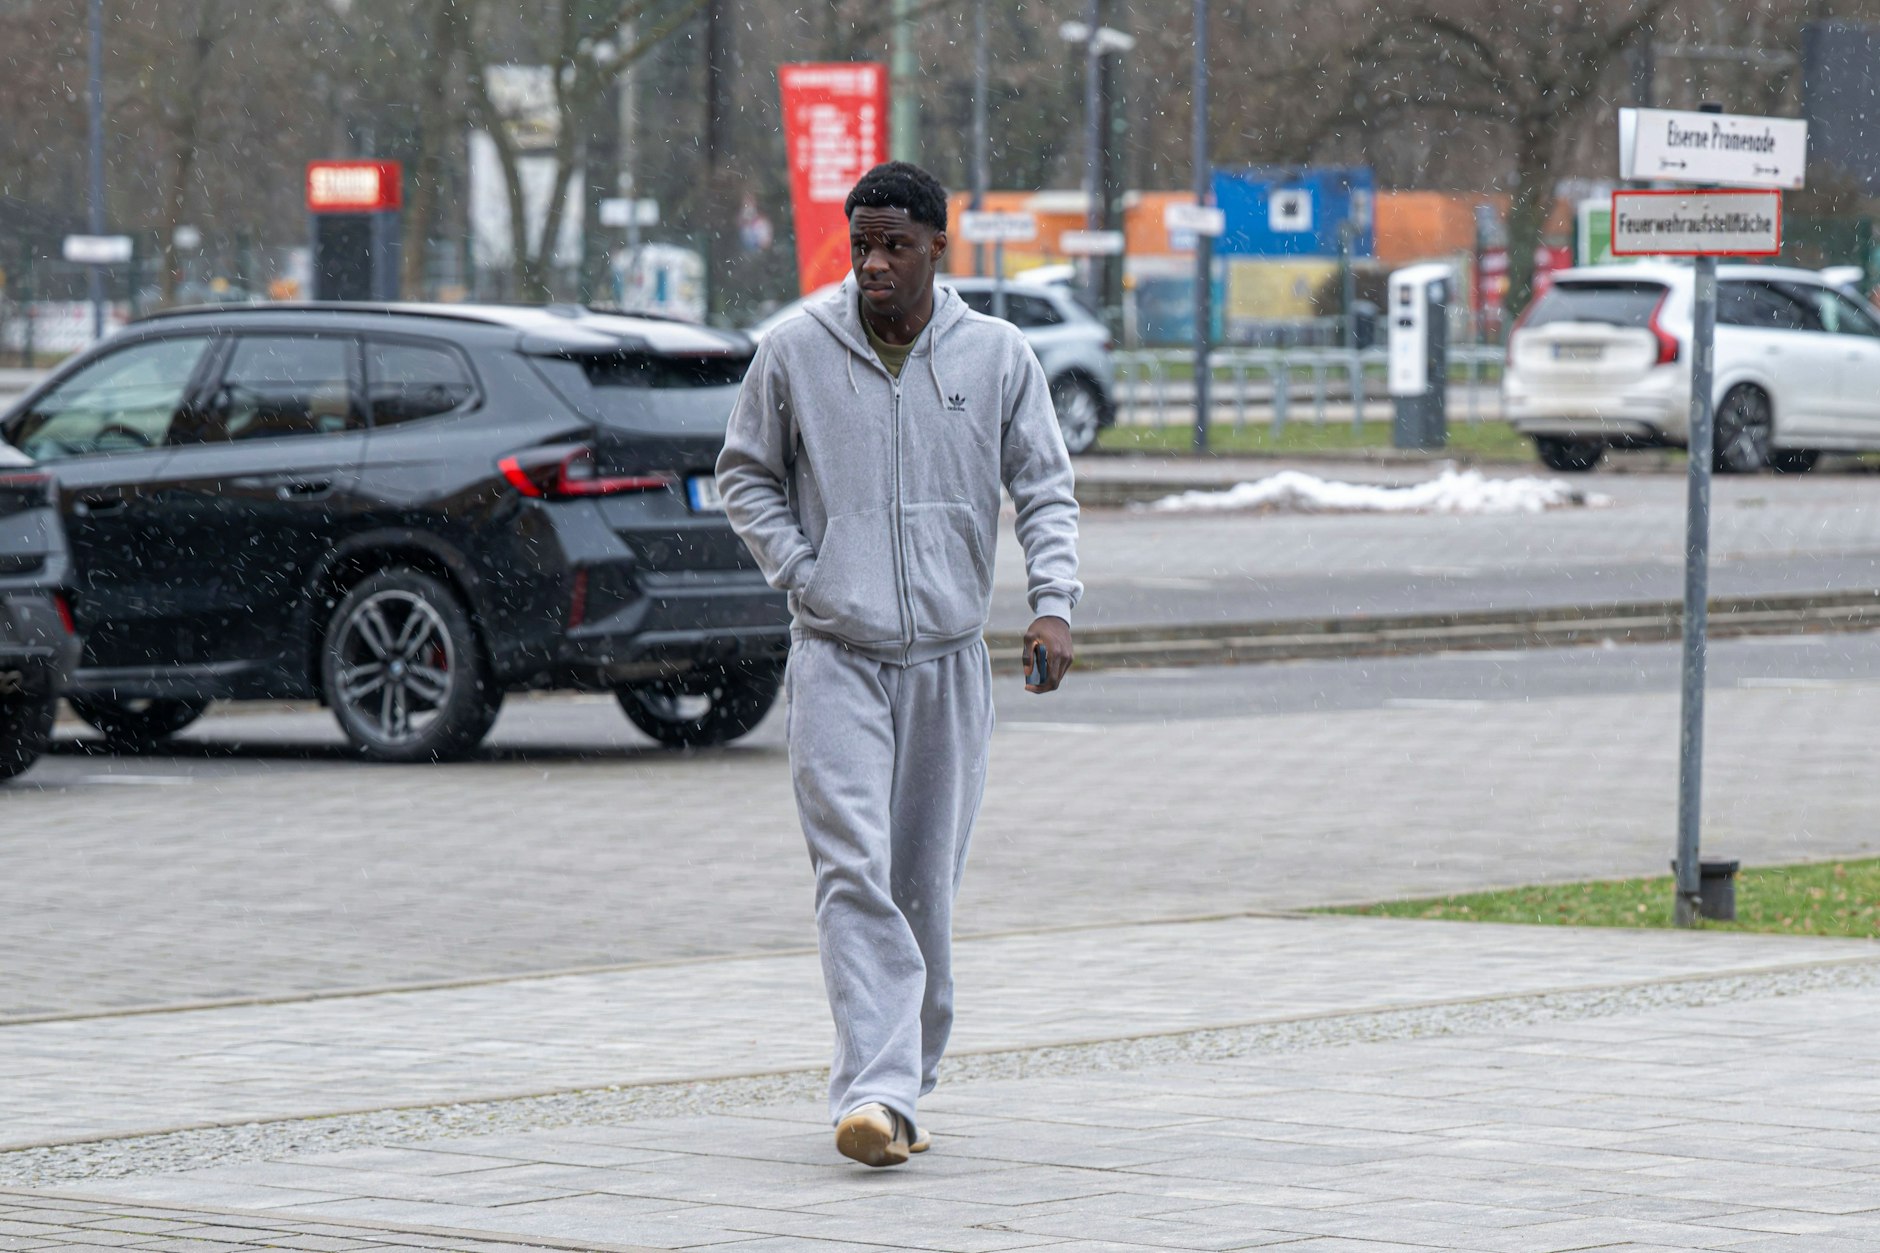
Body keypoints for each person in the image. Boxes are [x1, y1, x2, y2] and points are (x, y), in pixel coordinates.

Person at [717, 161, 1081, 1168]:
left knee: (923, 880)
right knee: (850, 868)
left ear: (936, 249)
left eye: (894, 245)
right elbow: (743, 474)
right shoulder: (794, 349)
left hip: (948, 663)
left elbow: (1045, 488)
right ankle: (872, 1090)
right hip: (835, 652)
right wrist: (803, 572)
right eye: (860, 243)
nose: (873, 262)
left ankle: (906, 1078)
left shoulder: (996, 356)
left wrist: (1051, 604)